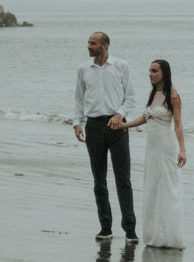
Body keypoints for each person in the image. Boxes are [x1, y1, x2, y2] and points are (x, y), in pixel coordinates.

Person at [72, 31, 137, 242]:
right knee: (99, 180)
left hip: (117, 126)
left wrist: (120, 114)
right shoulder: (83, 69)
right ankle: (105, 227)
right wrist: (77, 123)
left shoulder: (121, 66)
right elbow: (78, 100)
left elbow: (130, 97)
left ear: (105, 46)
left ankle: (130, 229)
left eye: (93, 43)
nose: (89, 46)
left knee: (123, 180)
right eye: (88, 42)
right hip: (94, 126)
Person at [119, 58, 186, 250]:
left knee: (167, 188)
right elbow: (146, 117)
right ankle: (154, 235)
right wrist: (125, 125)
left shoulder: (173, 96)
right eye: (149, 70)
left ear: (164, 73)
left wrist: (182, 150)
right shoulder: (152, 93)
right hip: (151, 147)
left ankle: (169, 235)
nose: (150, 74)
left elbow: (178, 125)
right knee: (152, 188)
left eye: (155, 71)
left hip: (165, 146)